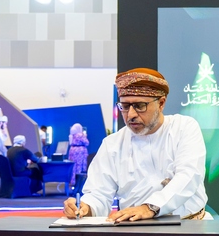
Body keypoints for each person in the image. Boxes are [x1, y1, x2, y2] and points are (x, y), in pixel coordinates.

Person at [63, 68, 209, 222]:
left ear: (161, 103)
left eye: (140, 106)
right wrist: (85, 207)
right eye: (125, 106)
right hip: (135, 229)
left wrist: (150, 207)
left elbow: (189, 176)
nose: (131, 115)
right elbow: (99, 194)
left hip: (190, 226)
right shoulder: (112, 144)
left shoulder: (183, 127)